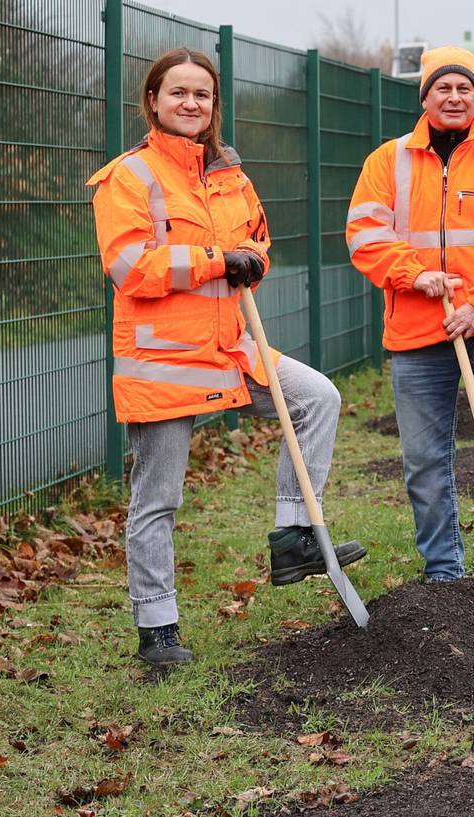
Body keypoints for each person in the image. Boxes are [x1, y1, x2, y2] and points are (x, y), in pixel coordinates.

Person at [90, 49, 365, 668]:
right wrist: (220, 260)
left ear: (215, 106)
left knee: (316, 397)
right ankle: (158, 629)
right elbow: (130, 268)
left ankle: (295, 537)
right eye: (179, 93)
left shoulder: (231, 177)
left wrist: (253, 260)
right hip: (165, 358)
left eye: (203, 95)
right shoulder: (128, 178)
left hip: (230, 344)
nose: (192, 104)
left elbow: (259, 241)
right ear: (153, 102)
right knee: (157, 497)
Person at [345, 45, 474, 580]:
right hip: (417, 327)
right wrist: (414, 274)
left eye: (465, 88)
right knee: (424, 459)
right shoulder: (386, 161)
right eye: (444, 87)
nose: (455, 96)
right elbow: (365, 237)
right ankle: (444, 571)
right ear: (425, 96)